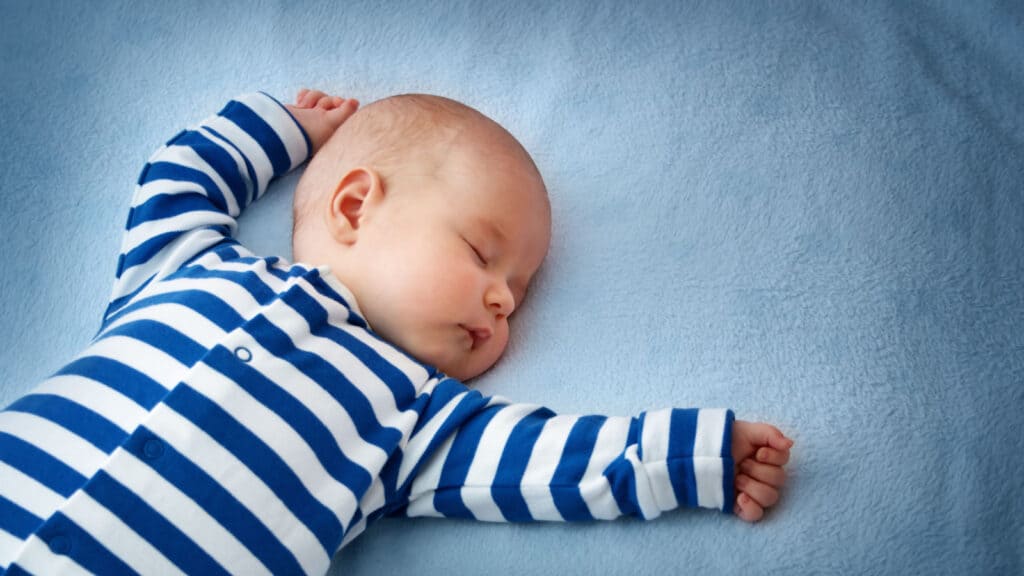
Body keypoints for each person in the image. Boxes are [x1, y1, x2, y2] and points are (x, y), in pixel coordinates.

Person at [0, 88, 793, 574]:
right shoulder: (188, 268)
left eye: (517, 290)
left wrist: (695, 456)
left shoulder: (413, 419)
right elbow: (177, 178)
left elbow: (552, 463)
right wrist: (278, 129)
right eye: (483, 254)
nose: (504, 303)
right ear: (353, 207)